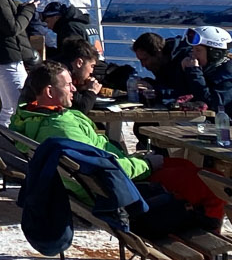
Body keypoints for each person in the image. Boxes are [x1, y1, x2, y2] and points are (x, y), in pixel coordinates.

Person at [10, 63, 150, 185]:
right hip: (108, 190)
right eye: (68, 85)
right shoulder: (60, 127)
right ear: (49, 91)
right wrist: (146, 164)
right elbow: (100, 167)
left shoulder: (29, 118)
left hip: (91, 182)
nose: (74, 89)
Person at [179, 25, 232, 124]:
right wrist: (185, 72)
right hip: (219, 122)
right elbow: (188, 93)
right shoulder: (209, 69)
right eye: (193, 49)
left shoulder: (230, 73)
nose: (193, 54)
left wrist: (193, 72)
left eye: (198, 50)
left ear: (214, 54)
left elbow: (213, 103)